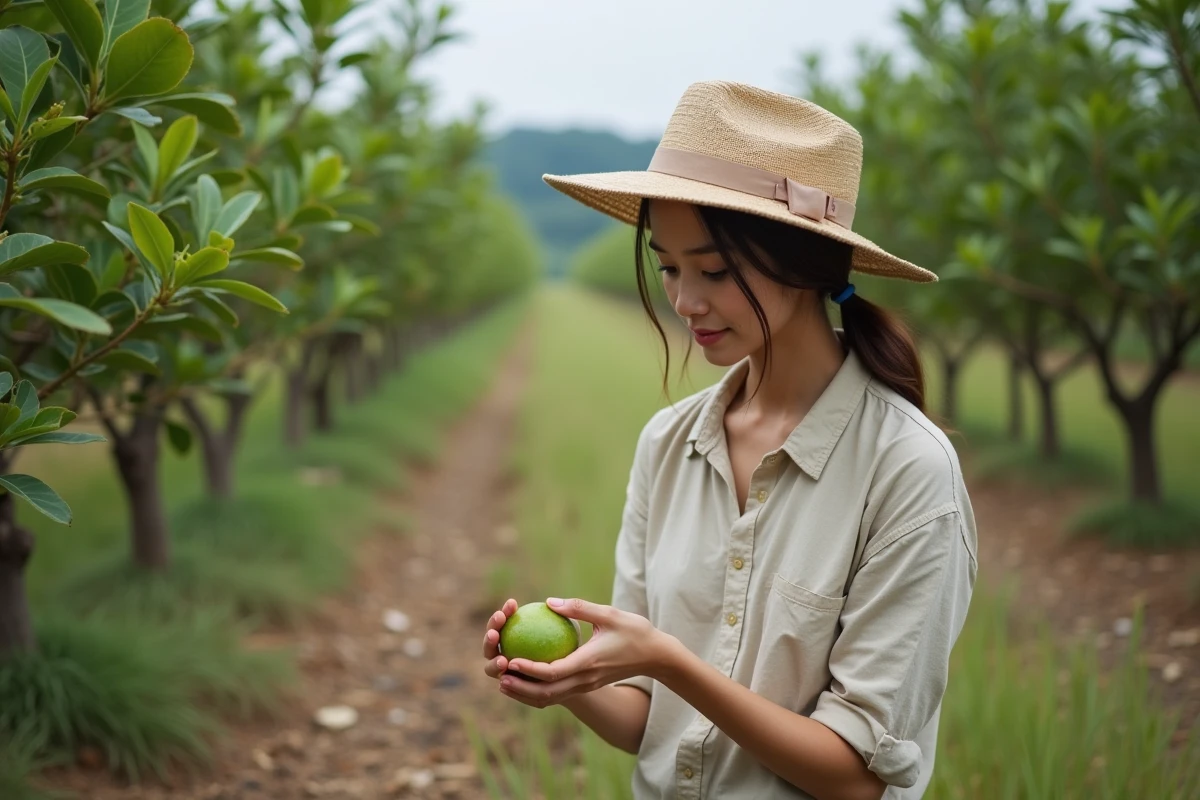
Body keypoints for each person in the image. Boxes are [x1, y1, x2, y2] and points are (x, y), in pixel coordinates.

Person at [480, 80, 978, 800]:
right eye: (669, 267)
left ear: (806, 266)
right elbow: (648, 718)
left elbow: (854, 776)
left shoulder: (906, 470)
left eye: (713, 270)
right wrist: (569, 682)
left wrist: (674, 663)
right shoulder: (669, 444)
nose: (685, 302)